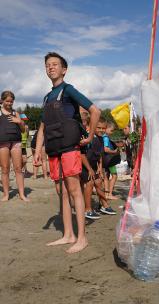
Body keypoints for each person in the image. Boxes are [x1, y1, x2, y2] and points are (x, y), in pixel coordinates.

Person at [33, 52, 100, 254]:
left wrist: (89, 136)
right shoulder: (47, 97)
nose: (51, 67)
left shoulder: (68, 90)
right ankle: (68, 235)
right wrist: (38, 151)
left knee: (74, 190)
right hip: (53, 149)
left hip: (70, 148)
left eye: (55, 64)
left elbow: (95, 110)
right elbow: (43, 128)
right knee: (61, 192)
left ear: (64, 69)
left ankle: (82, 237)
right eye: (47, 65)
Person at [80, 117, 116, 219]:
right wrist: (90, 169)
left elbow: (99, 155)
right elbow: (82, 154)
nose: (101, 130)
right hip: (84, 165)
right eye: (98, 127)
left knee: (99, 182)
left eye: (103, 128)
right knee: (90, 183)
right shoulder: (89, 138)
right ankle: (87, 209)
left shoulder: (101, 139)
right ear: (93, 127)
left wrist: (100, 168)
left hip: (93, 165)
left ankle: (104, 205)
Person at [0, 91, 29, 202]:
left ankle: (22, 194)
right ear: (2, 100)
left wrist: (20, 122)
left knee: (18, 168)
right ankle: (6, 195)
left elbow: (23, 130)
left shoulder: (16, 113)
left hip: (16, 142)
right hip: (3, 143)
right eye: (7, 101)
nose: (9, 103)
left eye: (11, 101)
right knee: (5, 169)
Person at [102, 121, 120, 200]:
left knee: (106, 176)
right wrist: (114, 152)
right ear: (106, 128)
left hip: (105, 160)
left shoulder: (103, 137)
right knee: (114, 176)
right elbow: (106, 149)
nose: (112, 132)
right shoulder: (106, 138)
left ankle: (107, 193)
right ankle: (109, 193)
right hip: (109, 160)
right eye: (111, 130)